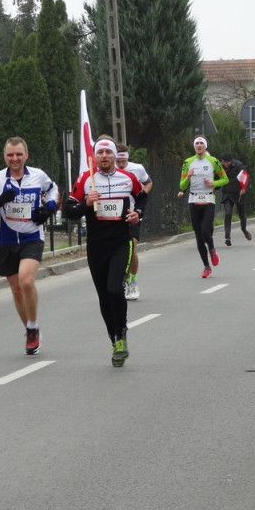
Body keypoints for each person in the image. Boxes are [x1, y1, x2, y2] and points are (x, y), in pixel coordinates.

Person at [63, 136, 145, 366]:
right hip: (97, 245)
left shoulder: (127, 178)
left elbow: (142, 196)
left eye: (108, 152)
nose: (105, 156)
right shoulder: (86, 179)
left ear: (115, 155)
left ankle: (122, 333)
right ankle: (114, 338)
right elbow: (69, 210)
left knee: (114, 289)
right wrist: (85, 204)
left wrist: (138, 213)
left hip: (121, 241)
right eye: (101, 153)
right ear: (95, 156)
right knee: (103, 295)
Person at [0, 137, 59, 355]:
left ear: (26, 155)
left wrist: (49, 208)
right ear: (4, 156)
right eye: (10, 155)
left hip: (32, 236)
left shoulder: (38, 176)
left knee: (26, 280)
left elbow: (53, 189)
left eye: (19, 154)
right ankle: (31, 328)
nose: (15, 158)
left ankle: (32, 328)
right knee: (15, 288)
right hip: (7, 239)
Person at [176, 136, 228, 278]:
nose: (199, 145)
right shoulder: (188, 162)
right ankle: (206, 267)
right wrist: (188, 177)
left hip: (208, 199)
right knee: (198, 236)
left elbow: (225, 179)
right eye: (196, 143)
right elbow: (181, 185)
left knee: (206, 231)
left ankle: (211, 248)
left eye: (201, 143)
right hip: (193, 200)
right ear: (194, 146)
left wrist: (213, 183)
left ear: (205, 146)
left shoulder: (213, 161)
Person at [115, 144, 153, 301]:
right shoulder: (108, 170)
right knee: (118, 251)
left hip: (133, 215)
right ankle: (121, 280)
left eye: (123, 161)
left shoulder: (137, 168)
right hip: (115, 216)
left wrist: (140, 197)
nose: (121, 164)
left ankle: (132, 281)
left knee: (131, 247)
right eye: (118, 161)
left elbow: (148, 182)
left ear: (128, 159)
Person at [219, 153, 252, 246]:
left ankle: (244, 229)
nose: (226, 164)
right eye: (224, 162)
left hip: (239, 193)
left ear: (231, 161)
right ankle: (227, 237)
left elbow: (246, 178)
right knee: (228, 213)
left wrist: (244, 189)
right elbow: (216, 177)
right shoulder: (220, 166)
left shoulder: (239, 165)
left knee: (242, 215)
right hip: (227, 193)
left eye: (228, 162)